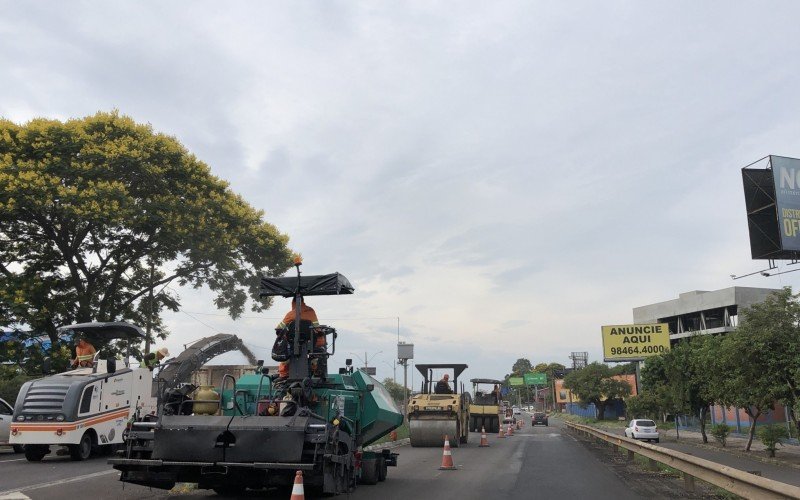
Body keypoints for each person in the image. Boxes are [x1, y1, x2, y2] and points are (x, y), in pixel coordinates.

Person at [275, 296, 321, 379]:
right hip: (312, 343)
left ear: (293, 303)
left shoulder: (291, 314)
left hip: (293, 344)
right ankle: (316, 370)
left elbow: (279, 328)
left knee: (285, 353)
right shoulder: (311, 311)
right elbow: (317, 328)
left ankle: (284, 374)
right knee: (318, 352)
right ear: (303, 301)